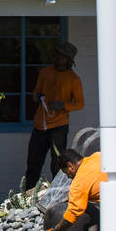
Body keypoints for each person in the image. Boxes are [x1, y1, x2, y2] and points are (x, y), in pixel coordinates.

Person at [23, 41, 84, 190]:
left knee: (57, 163)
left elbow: (80, 103)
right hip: (40, 124)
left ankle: (55, 193)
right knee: (33, 162)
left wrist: (63, 106)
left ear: (68, 60)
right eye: (57, 55)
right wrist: (37, 97)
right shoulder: (45, 72)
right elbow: (35, 93)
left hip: (59, 126)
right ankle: (28, 195)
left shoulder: (73, 79)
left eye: (62, 56)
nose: (58, 58)